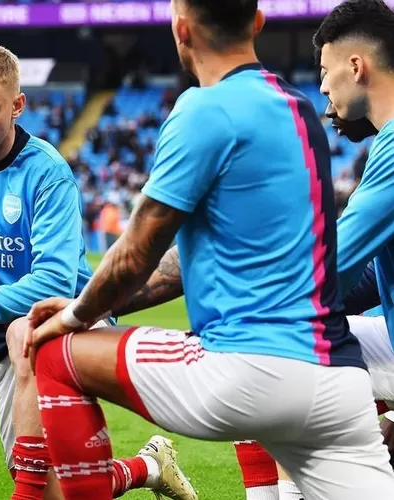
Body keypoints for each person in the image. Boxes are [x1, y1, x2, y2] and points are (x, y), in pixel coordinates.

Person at [23, 0, 394, 498]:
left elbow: (138, 253)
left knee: (55, 354)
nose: (323, 87)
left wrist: (77, 313)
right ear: (258, 24)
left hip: (258, 367)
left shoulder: (202, 109)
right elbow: (339, 267)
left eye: (326, 72)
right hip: (337, 376)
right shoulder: (298, 110)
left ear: (180, 29)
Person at [0, 41, 195, 500]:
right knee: (51, 486)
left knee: (24, 336)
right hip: (3, 336)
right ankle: (147, 467)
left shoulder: (47, 174)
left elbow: (53, 283)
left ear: (18, 105)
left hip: (68, 321)